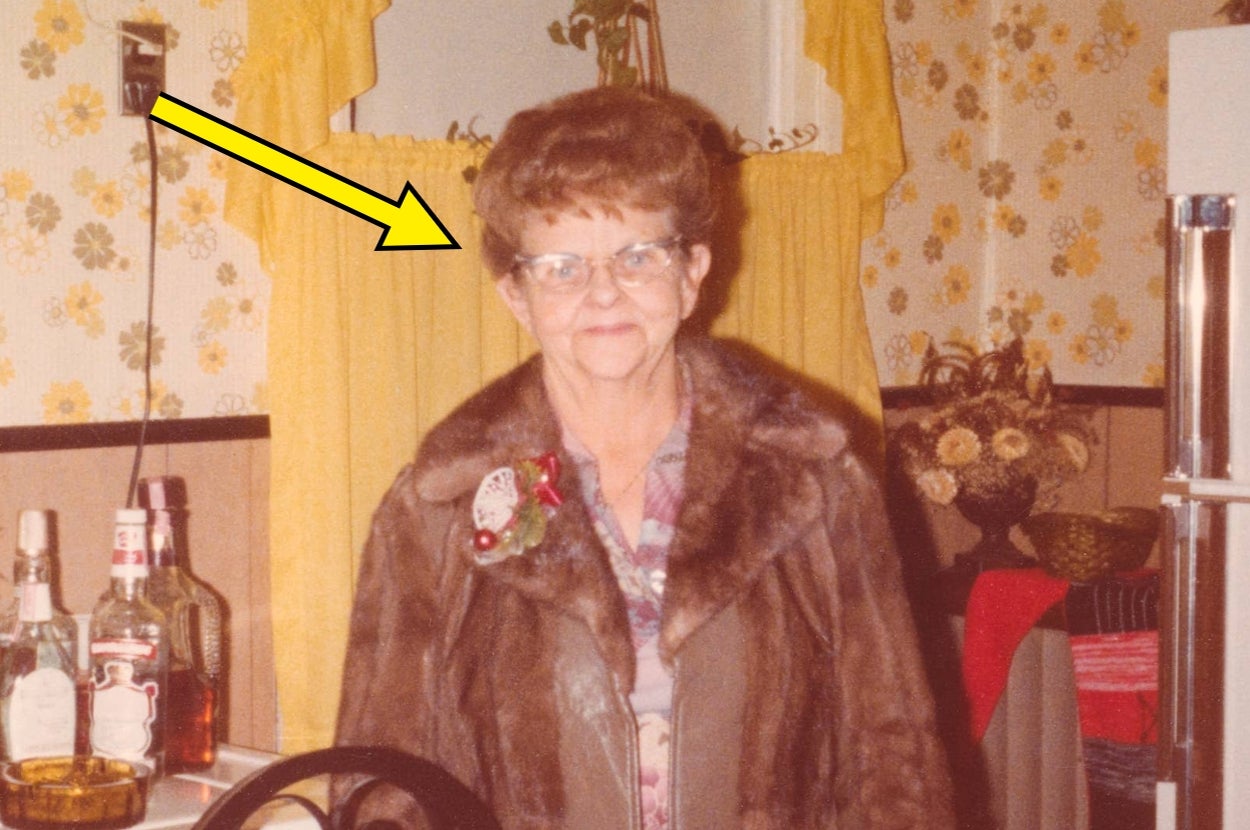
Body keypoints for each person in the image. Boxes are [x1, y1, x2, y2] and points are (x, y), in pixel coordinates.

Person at [333, 85, 954, 829]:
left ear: (691, 273)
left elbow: (894, 759)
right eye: (561, 266)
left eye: (637, 256)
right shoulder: (442, 502)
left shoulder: (812, 480)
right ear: (516, 295)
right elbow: (384, 783)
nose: (604, 294)